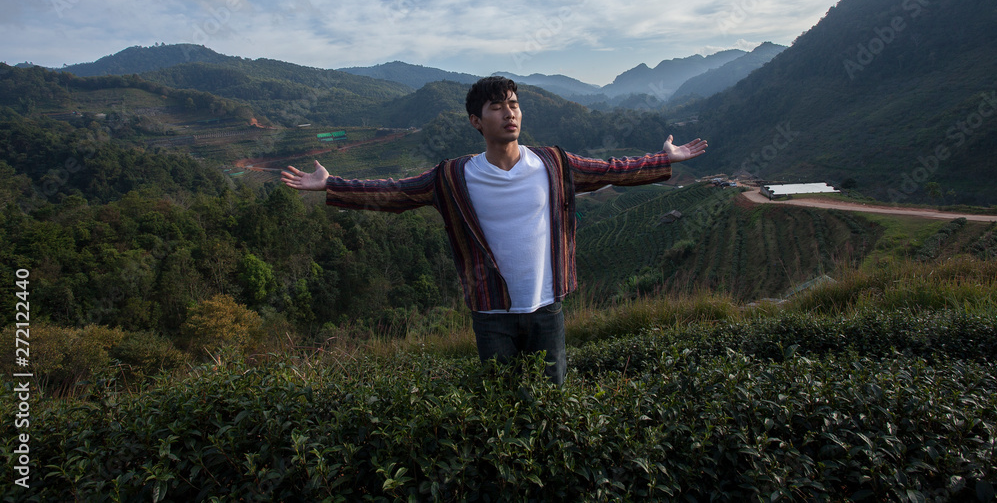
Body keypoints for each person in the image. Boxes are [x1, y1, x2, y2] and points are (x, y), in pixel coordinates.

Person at [281, 76, 707, 385]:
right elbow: (395, 193)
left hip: (546, 307)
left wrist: (662, 158)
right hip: (491, 313)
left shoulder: (553, 163)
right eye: (498, 107)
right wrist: (332, 184)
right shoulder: (453, 177)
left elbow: (612, 169)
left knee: (549, 403)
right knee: (501, 408)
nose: (510, 113)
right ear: (475, 121)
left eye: (515, 104)